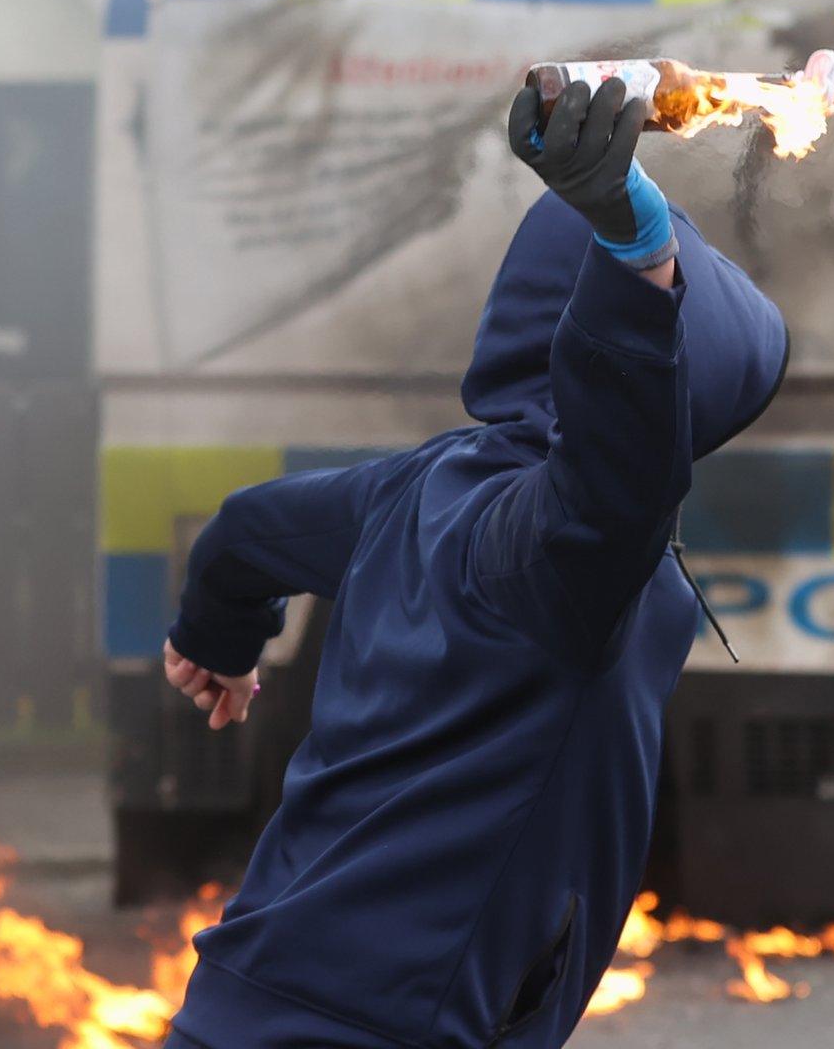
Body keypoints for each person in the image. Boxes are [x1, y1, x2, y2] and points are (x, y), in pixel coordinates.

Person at [157, 76, 789, 1049]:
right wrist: (636, 252)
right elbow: (612, 466)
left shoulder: (414, 490)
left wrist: (218, 637)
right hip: (382, 1030)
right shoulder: (562, 551)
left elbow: (245, 535)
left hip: (241, 1004)